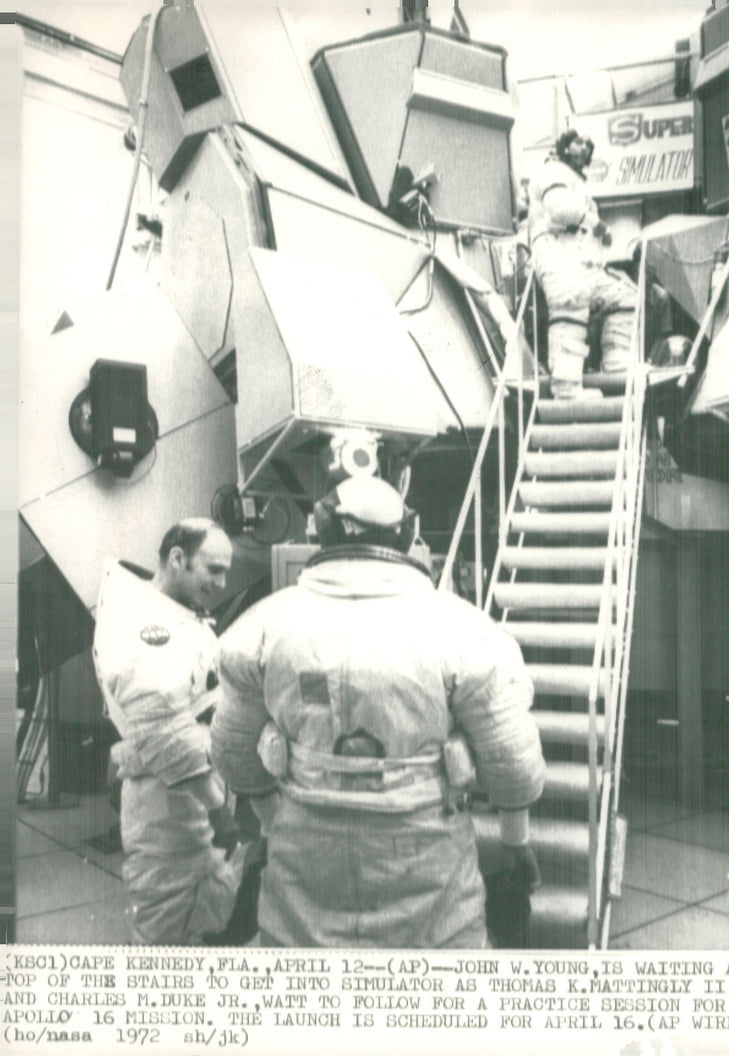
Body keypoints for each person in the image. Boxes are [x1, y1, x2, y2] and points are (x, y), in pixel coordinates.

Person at [211, 475, 546, 948]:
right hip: (428, 865)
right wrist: (515, 841)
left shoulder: (261, 626)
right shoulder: (465, 628)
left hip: (304, 858)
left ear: (317, 532)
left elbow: (232, 755)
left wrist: (269, 823)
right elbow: (512, 764)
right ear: (408, 535)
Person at [93, 518, 246, 945]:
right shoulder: (147, 627)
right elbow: (163, 726)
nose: (221, 582)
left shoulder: (173, 615)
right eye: (212, 569)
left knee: (195, 917)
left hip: (188, 800)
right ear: (177, 559)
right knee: (161, 936)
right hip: (170, 806)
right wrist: (218, 810)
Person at [528, 129, 638, 398]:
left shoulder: (577, 181)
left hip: (583, 262)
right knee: (571, 305)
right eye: (578, 142)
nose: (584, 147)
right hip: (558, 255)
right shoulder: (552, 171)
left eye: (587, 143)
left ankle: (617, 362)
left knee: (625, 297)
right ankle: (566, 387)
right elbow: (559, 208)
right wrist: (597, 224)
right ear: (564, 147)